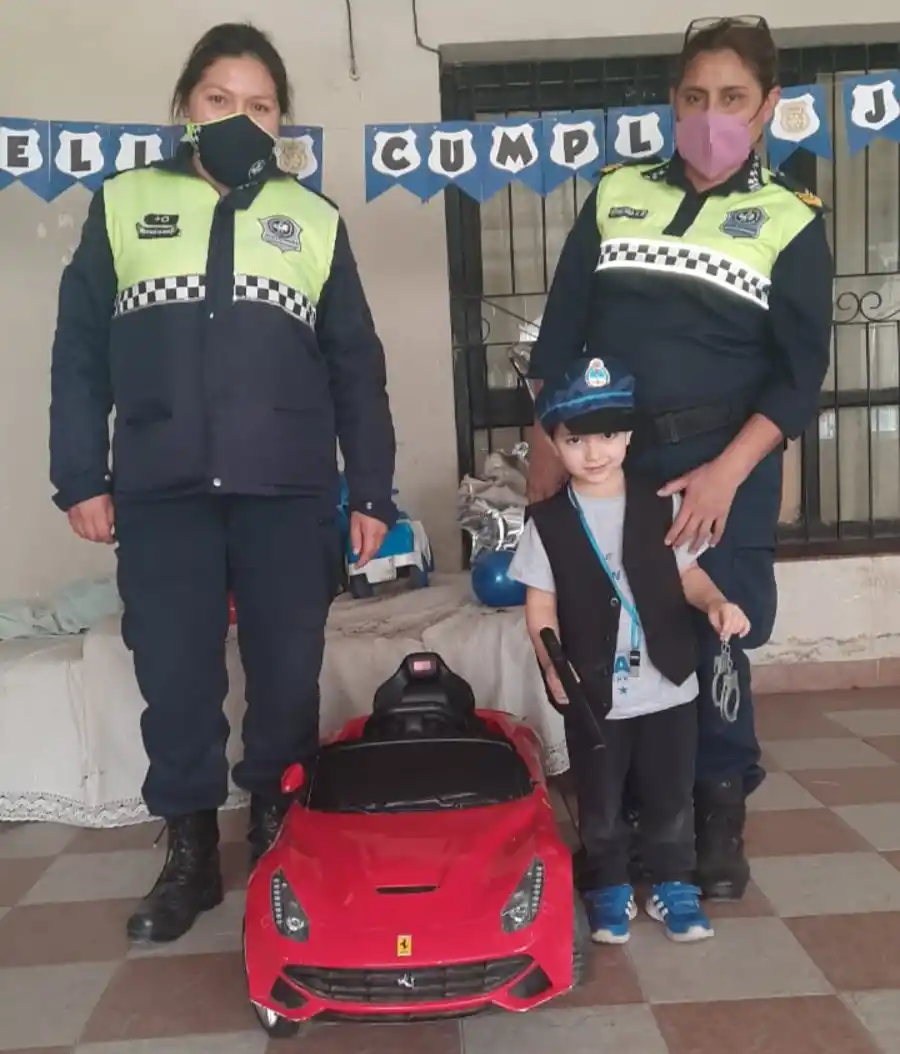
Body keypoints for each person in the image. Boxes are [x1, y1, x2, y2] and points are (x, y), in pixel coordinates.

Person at [49, 22, 397, 943]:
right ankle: (193, 852)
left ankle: (280, 826)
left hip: (285, 493)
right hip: (162, 492)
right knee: (175, 677)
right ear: (184, 107)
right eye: (219, 99)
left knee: (287, 673)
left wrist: (370, 491)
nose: (238, 116)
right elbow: (80, 350)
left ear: (282, 121)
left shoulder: (313, 219)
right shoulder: (124, 203)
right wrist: (82, 473)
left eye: (260, 104)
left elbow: (356, 363)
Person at [525, 16, 833, 901]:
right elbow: (562, 327)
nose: (712, 115)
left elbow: (800, 372)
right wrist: (548, 447)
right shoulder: (618, 192)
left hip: (720, 458)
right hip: (605, 457)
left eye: (733, 98)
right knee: (606, 627)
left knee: (716, 632)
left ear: (770, 106)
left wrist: (730, 472)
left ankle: (718, 813)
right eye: (695, 97)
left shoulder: (790, 217)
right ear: (672, 101)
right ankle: (620, 816)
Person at [510, 355, 750, 943]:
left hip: (669, 683)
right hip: (591, 689)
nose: (595, 453)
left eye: (609, 436)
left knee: (671, 790)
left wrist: (717, 603)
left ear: (629, 436)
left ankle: (674, 883)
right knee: (600, 794)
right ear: (554, 442)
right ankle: (609, 885)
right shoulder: (546, 522)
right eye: (576, 440)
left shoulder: (660, 502)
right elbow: (539, 608)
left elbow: (688, 576)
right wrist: (551, 665)